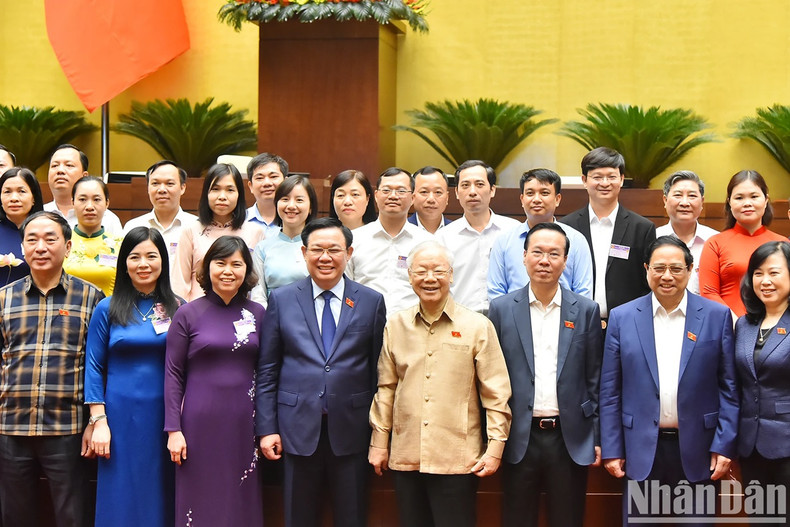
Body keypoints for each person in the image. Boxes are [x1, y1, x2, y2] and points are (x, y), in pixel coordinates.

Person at [369, 241, 511, 527]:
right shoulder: (395, 326)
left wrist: (495, 447)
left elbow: (496, 394)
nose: (430, 278)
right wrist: (379, 443)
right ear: (410, 276)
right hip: (406, 455)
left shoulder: (477, 326)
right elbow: (386, 388)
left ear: (451, 275)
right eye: (421, 271)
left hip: (457, 459)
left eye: (438, 271)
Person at [257, 217, 387, 527]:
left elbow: (379, 373)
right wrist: (267, 427)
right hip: (295, 428)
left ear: (349, 252)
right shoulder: (283, 299)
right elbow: (267, 370)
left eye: (334, 249)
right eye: (317, 249)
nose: (325, 257)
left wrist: (379, 433)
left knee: (352, 516)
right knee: (297, 517)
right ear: (304, 253)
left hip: (352, 429)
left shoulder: (370, 302)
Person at [599, 236, 738, 525]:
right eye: (659, 268)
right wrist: (612, 449)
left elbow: (729, 387)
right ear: (646, 269)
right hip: (639, 448)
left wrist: (724, 444)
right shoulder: (622, 317)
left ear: (690, 270)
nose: (666, 276)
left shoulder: (717, 316)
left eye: (676, 269)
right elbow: (610, 391)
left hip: (699, 449)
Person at [489, 222, 603, 527]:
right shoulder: (500, 310)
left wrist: (597, 435)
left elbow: (594, 378)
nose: (545, 260)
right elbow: (491, 378)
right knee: (516, 518)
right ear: (524, 256)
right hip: (518, 437)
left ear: (565, 261)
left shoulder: (586, 310)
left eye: (554, 254)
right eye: (537, 252)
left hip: (569, 438)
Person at [0, 211, 104, 527]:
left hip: (66, 428)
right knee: (15, 518)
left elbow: (97, 365)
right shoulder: (4, 298)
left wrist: (93, 420)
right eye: (32, 240)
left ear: (68, 247)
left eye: (50, 239)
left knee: (73, 517)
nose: (41, 247)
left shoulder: (91, 298)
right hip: (11, 428)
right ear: (22, 248)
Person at [85, 227, 182, 527]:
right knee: (121, 492)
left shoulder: (178, 308)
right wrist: (98, 420)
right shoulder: (108, 307)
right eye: (135, 256)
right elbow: (93, 366)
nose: (144, 264)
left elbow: (184, 369)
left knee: (159, 491)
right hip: (118, 418)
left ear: (163, 261)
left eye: (151, 256)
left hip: (163, 419)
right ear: (124, 263)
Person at [165, 236, 265, 526]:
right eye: (220, 263)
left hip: (244, 422)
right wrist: (173, 429)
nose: (228, 271)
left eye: (237, 264)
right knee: (200, 494)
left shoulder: (258, 314)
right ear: (207, 268)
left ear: (247, 271)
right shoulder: (187, 313)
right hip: (198, 422)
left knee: (240, 494)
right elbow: (173, 373)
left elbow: (267, 371)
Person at [560, 147, 656, 324]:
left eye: (611, 177)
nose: (605, 183)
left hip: (627, 323)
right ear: (584, 180)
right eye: (597, 177)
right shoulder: (566, 227)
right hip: (576, 323)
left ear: (621, 180)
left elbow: (647, 283)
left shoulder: (642, 228)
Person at [735, 241, 790, 517]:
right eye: (758, 273)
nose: (765, 281)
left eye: (774, 273)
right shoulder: (745, 324)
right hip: (751, 445)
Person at [489, 168, 593, 301]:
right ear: (522, 199)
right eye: (530, 193)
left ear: (557, 199)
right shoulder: (504, 241)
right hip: (514, 319)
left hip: (564, 319)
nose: (536, 199)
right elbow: (496, 291)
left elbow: (583, 292)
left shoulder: (576, 240)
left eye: (544, 193)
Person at [435, 160, 519, 314]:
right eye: (465, 185)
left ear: (492, 190)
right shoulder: (443, 237)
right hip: (460, 320)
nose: (472, 191)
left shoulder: (513, 231)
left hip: (507, 318)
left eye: (479, 184)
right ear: (456, 192)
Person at [171, 163, 264, 301]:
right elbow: (179, 284)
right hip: (198, 314)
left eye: (230, 190)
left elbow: (258, 285)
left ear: (239, 194)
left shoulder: (255, 232)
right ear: (206, 194)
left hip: (242, 315)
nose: (222, 196)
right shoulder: (190, 231)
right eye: (215, 189)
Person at [346, 167, 433, 314]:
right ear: (376, 195)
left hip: (412, 326)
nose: (393, 196)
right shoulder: (354, 239)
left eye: (401, 191)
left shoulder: (427, 243)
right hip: (363, 325)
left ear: (412, 198)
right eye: (386, 190)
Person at [699, 170, 786, 317]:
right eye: (739, 198)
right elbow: (708, 292)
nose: (747, 203)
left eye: (754, 196)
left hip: (775, 331)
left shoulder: (783, 244)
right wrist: (735, 323)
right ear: (729, 203)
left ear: (765, 200)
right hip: (728, 329)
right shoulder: (715, 243)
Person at [250, 175, 317, 305]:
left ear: (311, 208)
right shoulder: (263, 248)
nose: (291, 206)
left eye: (299, 200)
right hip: (273, 318)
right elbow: (258, 295)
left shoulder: (319, 247)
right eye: (285, 199)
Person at [656, 171, 718, 295]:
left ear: (702, 202)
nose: (685, 203)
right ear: (665, 200)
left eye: (692, 196)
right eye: (678, 195)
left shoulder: (716, 240)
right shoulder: (653, 238)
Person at [44, 144, 123, 236]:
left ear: (84, 176)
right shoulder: (38, 214)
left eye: (69, 165)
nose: (60, 170)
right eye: (55, 165)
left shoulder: (108, 219)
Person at [123, 160, 197, 258]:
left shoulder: (197, 227)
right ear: (148, 188)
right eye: (155, 183)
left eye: (169, 183)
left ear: (182, 188)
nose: (162, 189)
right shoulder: (133, 226)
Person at [63, 176, 122, 296]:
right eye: (82, 199)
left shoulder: (120, 245)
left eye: (96, 199)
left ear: (107, 203)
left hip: (109, 313)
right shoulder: (61, 243)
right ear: (72, 202)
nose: (89, 206)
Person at [0, 168, 44, 286]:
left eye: (22, 191)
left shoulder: (47, 231)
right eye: (7, 192)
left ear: (34, 197)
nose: (14, 198)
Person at [246, 152, 287, 236]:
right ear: (250, 186)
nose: (267, 183)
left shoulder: (295, 220)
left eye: (273, 176)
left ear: (286, 182)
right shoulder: (238, 221)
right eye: (259, 178)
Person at [408, 166, 451, 233]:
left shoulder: (457, 232)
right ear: (412, 197)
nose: (431, 199)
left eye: (438, 192)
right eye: (424, 192)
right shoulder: (401, 230)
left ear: (447, 198)